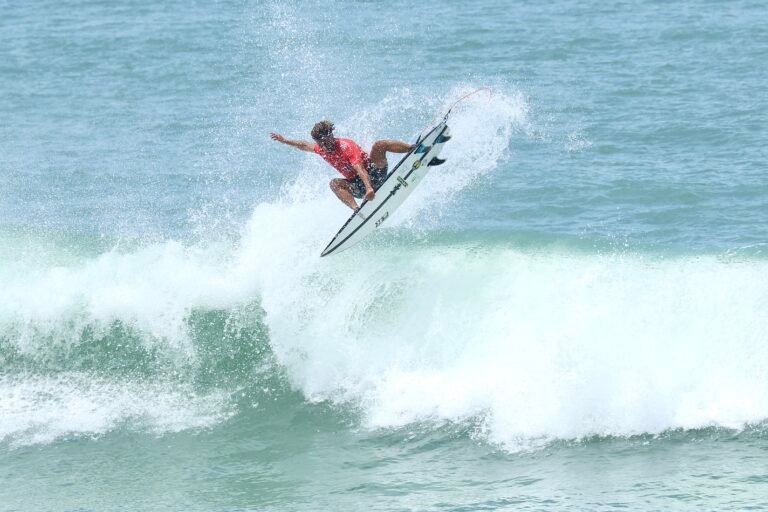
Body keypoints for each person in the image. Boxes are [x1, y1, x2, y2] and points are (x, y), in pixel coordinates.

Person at [270, 120, 413, 210]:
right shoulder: (321, 148)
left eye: (323, 142)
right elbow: (304, 145)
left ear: (330, 136)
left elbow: (359, 168)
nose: (322, 146)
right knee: (334, 183)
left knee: (379, 145)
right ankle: (357, 211)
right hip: (358, 186)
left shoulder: (346, 146)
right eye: (319, 143)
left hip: (375, 173)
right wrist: (285, 141)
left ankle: (412, 149)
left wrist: (369, 188)